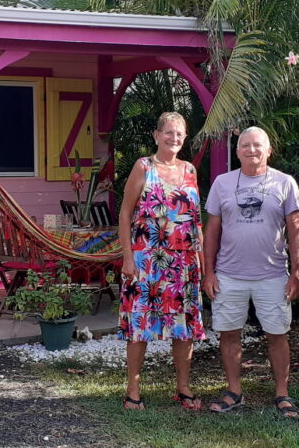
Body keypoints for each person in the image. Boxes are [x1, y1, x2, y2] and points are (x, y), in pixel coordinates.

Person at [202, 127, 299, 416]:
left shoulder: (285, 183)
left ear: (269, 150)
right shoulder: (222, 183)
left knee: (277, 334)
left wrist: (296, 272)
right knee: (229, 333)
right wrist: (208, 273)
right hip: (228, 274)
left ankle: (282, 394)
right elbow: (212, 231)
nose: (251, 150)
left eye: (257, 145)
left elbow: (296, 230)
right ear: (237, 152)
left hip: (272, 274)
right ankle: (234, 391)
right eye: (245, 145)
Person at [118, 111, 205, 410]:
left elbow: (196, 220)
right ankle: (133, 391)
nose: (174, 138)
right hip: (145, 261)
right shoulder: (144, 166)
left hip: (182, 263)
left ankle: (183, 388)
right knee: (140, 325)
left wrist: (201, 258)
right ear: (156, 135)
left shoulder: (190, 170)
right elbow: (125, 214)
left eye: (180, 134)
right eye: (169, 132)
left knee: (183, 326)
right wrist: (128, 258)